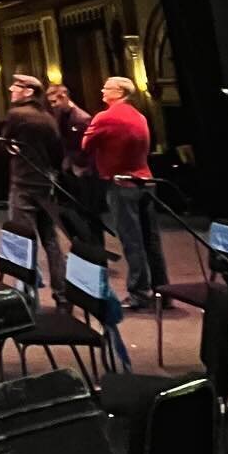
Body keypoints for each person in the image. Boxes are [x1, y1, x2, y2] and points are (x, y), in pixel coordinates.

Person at [82, 75, 168, 310]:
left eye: (107, 88)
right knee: (152, 240)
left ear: (119, 92)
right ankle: (164, 292)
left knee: (132, 241)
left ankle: (139, 293)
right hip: (147, 181)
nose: (102, 91)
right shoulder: (139, 116)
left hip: (121, 184)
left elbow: (85, 146)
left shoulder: (105, 117)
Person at [1, 73, 67, 301]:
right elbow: (58, 153)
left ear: (28, 92)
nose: (11, 90)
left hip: (23, 184)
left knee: (22, 238)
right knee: (51, 240)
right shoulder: (48, 118)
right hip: (45, 185)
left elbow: (6, 143)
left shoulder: (16, 115)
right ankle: (62, 292)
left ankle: (27, 292)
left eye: (16, 87)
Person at [46, 81, 104, 245]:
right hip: (70, 170)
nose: (53, 105)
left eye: (55, 101)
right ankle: (82, 248)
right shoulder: (60, 115)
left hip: (85, 172)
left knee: (89, 214)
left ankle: (96, 251)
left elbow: (89, 148)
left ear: (64, 97)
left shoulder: (81, 118)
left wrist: (81, 167)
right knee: (72, 212)